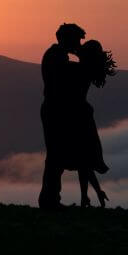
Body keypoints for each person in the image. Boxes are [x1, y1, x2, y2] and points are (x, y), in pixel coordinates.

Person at [38, 23, 85, 209]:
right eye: (76, 40)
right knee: (56, 155)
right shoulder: (56, 57)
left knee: (56, 155)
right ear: (67, 39)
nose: (78, 45)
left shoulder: (56, 55)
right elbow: (66, 79)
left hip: (54, 109)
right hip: (55, 110)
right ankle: (49, 200)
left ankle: (51, 198)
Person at [72, 39, 116, 207]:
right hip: (84, 115)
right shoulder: (89, 69)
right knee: (84, 159)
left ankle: (87, 196)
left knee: (81, 158)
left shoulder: (80, 70)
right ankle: (90, 194)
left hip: (77, 116)